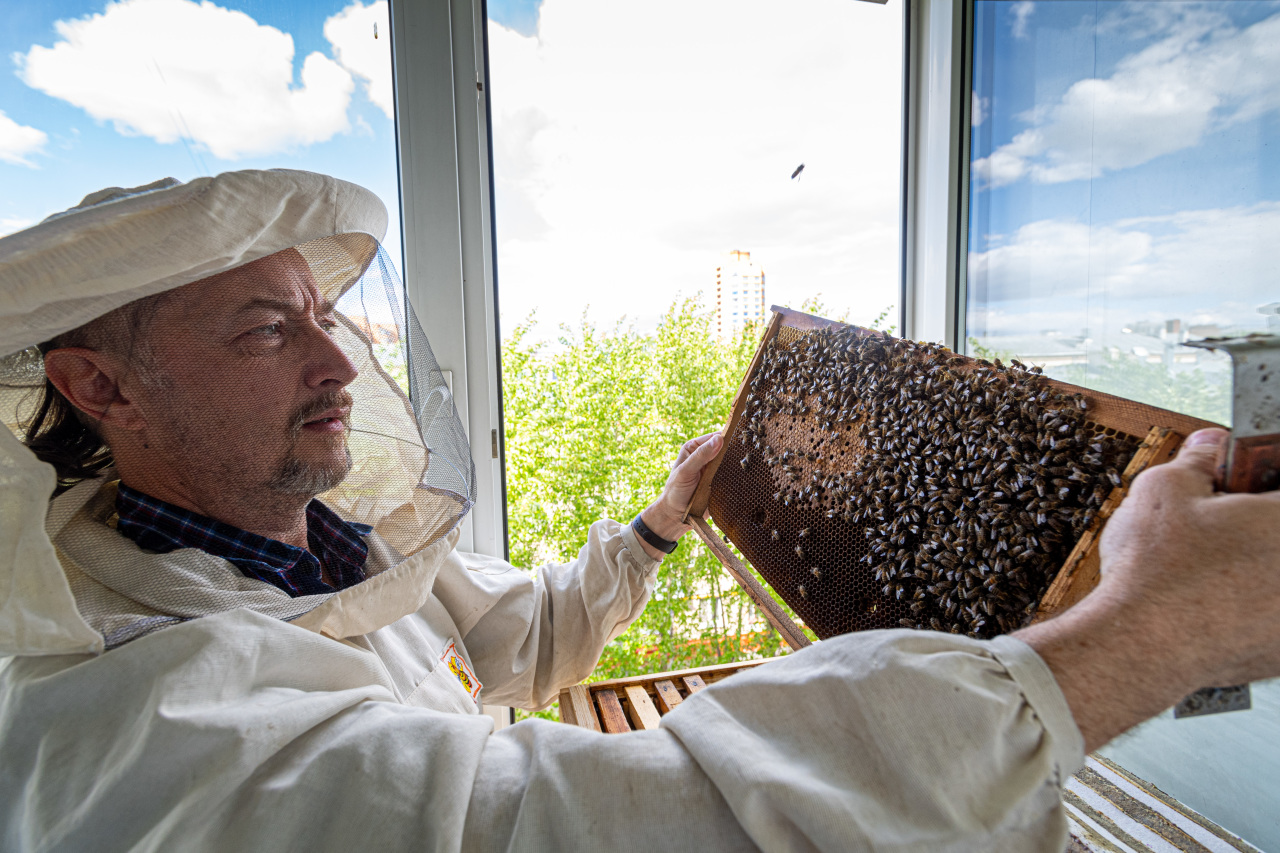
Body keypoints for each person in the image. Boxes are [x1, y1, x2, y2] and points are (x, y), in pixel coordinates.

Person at [0, 170, 1277, 852]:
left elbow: (508, 645)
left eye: (326, 318)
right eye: (268, 332)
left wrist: (663, 521)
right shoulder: (121, 711)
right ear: (100, 386)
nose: (338, 367)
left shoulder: (327, 548)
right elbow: (605, 832)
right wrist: (1148, 634)